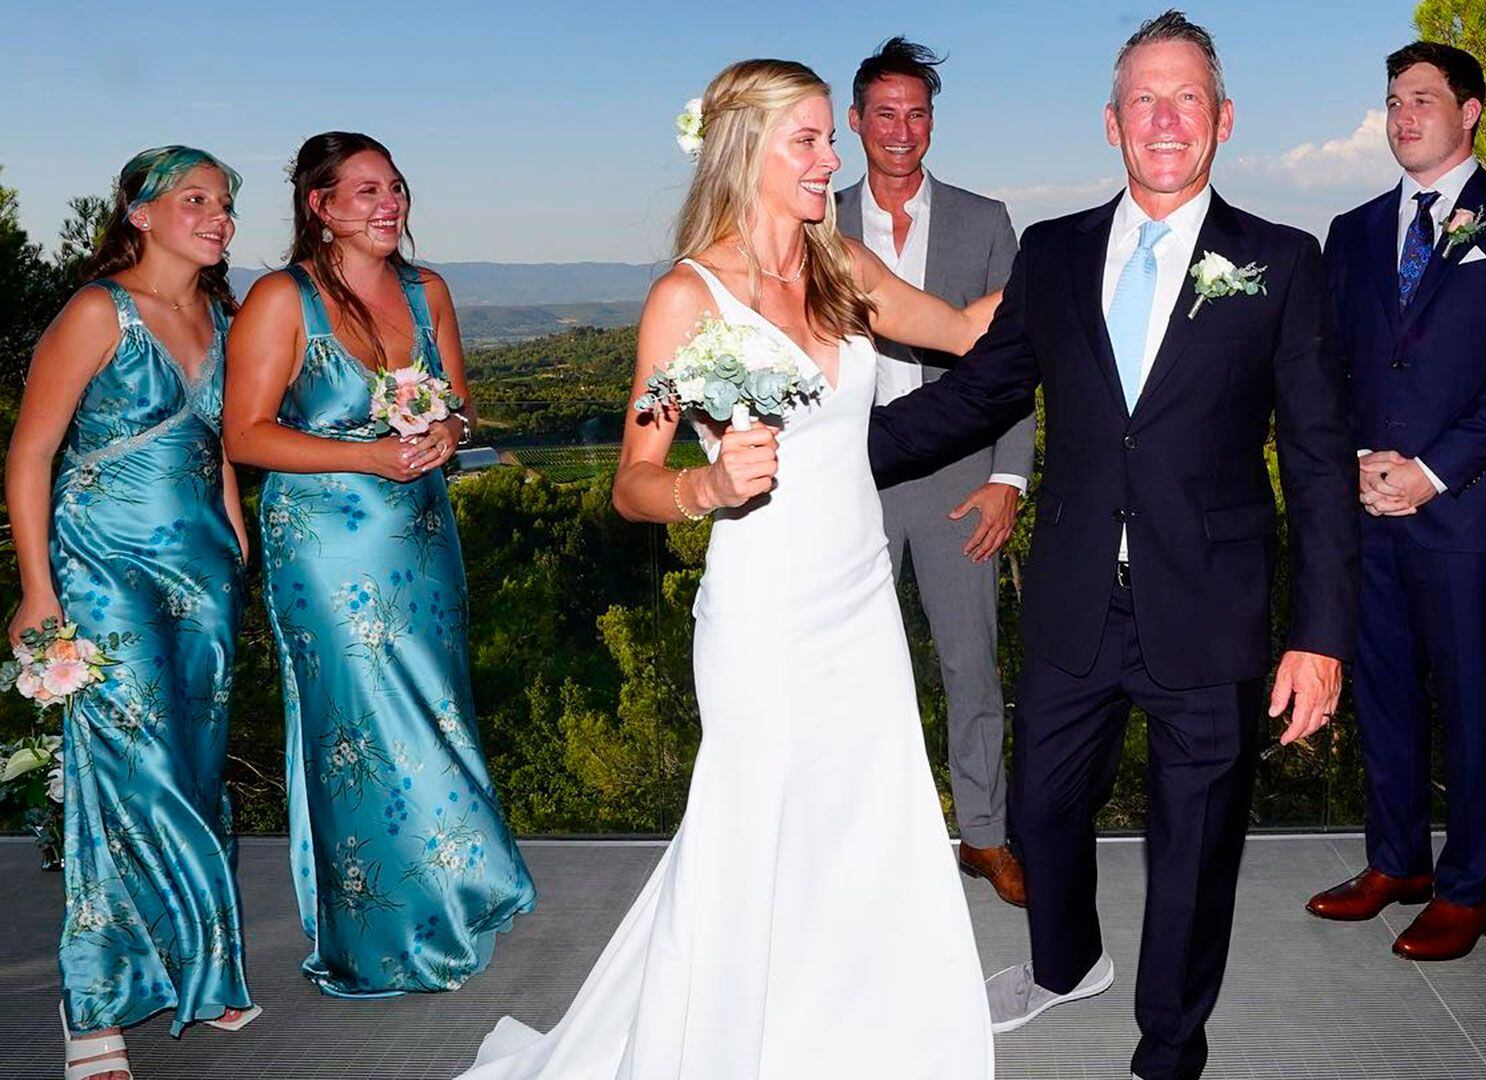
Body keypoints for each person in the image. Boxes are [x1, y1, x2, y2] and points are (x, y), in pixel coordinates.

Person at [457, 58, 1000, 1079]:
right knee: (754, 829)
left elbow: (968, 330)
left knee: (866, 817)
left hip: (859, 600)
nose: (832, 158)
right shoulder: (687, 297)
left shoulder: (843, 267)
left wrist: (1090, 259)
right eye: (810, 140)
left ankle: (848, 1036)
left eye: (827, 137)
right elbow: (633, 482)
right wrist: (705, 487)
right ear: (745, 151)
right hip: (764, 611)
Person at [867, 12, 1358, 1079]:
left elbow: (1320, 464)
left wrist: (1320, 635)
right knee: (1041, 811)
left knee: (1194, 849)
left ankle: (1169, 1046)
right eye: (1144, 98)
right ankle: (1065, 961)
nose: (1165, 119)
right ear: (1110, 122)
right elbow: (983, 391)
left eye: (1186, 98)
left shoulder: (1282, 261)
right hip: (1075, 596)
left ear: (1223, 119)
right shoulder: (1053, 252)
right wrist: (837, 452)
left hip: (1212, 609)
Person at [223, 132, 536, 998]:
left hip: (423, 535)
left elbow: (461, 406)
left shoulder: (427, 289)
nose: (388, 202)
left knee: (436, 705)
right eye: (365, 191)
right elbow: (245, 435)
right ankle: (386, 931)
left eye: (394, 187)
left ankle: (461, 883)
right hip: (326, 547)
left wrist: (447, 433)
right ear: (319, 206)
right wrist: (365, 457)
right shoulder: (281, 300)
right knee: (363, 727)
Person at [1308, 41, 1486, 961]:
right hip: (1366, 507)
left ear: (1470, 111)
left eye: (1422, 98)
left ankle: (1467, 889)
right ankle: (1396, 863)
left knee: (1470, 705)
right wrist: (1352, 461)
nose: (1402, 116)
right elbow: (1326, 363)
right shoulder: (1350, 230)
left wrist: (1431, 469)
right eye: (1392, 101)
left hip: (1468, 511)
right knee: (1381, 693)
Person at [5, 146, 258, 1080]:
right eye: (196, 199)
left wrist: (237, 547)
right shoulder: (96, 312)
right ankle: (95, 1005)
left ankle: (200, 964)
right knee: (130, 770)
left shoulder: (220, 315)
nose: (219, 216)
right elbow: (30, 454)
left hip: (203, 571)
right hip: (104, 568)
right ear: (140, 214)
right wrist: (38, 589)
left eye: (225, 202)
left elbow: (217, 447)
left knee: (193, 766)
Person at [836, 35, 1033, 906]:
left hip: (959, 479)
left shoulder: (985, 220)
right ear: (855, 121)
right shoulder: (814, 223)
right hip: (849, 482)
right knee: (851, 672)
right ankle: (858, 843)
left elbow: (1016, 356)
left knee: (971, 668)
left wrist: (1008, 478)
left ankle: (984, 836)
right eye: (885, 113)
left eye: (916, 114)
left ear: (932, 123)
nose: (901, 130)